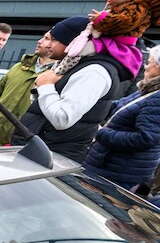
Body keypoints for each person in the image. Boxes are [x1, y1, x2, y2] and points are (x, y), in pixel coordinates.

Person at [13, 16, 136, 162]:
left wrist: (46, 86)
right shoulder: (72, 66)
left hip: (50, 156)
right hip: (40, 150)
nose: (48, 45)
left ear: (73, 42)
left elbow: (62, 118)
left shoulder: (94, 72)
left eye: (54, 40)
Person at [53, 0, 157, 77]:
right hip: (109, 40)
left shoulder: (138, 8)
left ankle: (59, 73)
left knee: (80, 51)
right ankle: (59, 68)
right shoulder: (121, 7)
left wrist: (102, 18)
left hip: (118, 43)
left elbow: (124, 22)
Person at [83, 44, 160, 190]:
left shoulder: (157, 98)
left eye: (148, 62)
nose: (145, 67)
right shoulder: (148, 90)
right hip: (109, 166)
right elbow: (119, 106)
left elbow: (145, 138)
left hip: (117, 173)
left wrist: (101, 133)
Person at [0, 32, 56, 147]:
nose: (39, 41)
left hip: (15, 142)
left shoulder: (56, 77)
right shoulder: (18, 67)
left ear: (56, 44)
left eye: (46, 39)